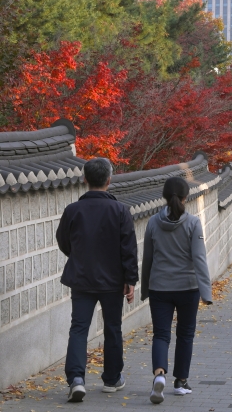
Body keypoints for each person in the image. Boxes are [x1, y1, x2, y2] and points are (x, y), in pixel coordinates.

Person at [56, 158, 138, 402]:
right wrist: (130, 279)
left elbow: (63, 240)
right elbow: (129, 249)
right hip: (113, 281)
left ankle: (76, 379)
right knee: (113, 327)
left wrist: (79, 256)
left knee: (79, 328)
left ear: (85, 180)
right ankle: (112, 379)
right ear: (109, 181)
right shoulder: (121, 211)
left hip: (81, 278)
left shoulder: (72, 210)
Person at [141, 177, 212, 405]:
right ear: (185, 197)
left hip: (159, 287)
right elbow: (199, 259)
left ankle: (159, 374)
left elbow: (147, 259)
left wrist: (145, 289)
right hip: (188, 288)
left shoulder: (152, 222)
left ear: (164, 196)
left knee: (161, 334)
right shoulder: (193, 223)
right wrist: (206, 292)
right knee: (185, 334)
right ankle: (180, 382)